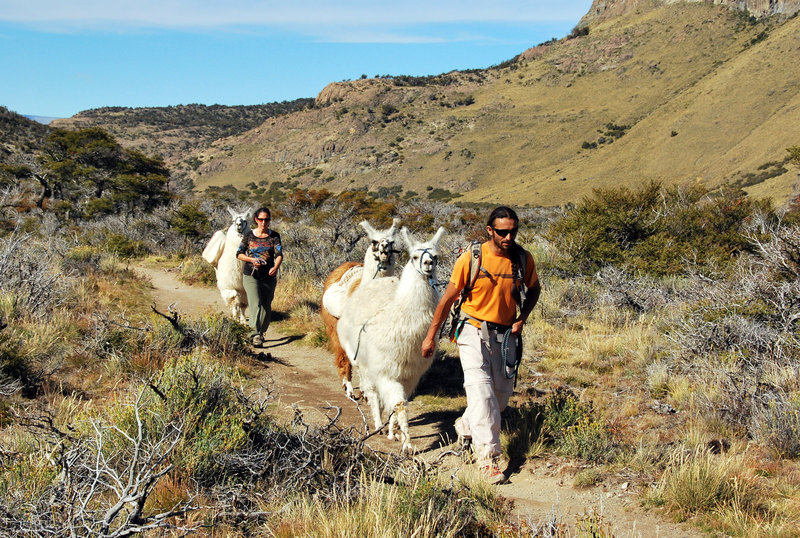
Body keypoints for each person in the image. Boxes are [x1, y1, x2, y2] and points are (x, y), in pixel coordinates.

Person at [422, 206, 541, 484]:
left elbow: (534, 289)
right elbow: (447, 299)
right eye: (502, 232)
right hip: (472, 329)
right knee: (481, 390)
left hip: (505, 335)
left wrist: (522, 318)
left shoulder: (523, 259)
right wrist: (431, 336)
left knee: (500, 396)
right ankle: (488, 458)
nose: (509, 237)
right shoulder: (472, 258)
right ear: (490, 231)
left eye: (513, 231)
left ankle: (466, 425)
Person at [236, 207, 283, 347]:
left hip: (269, 276)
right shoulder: (249, 236)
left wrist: (276, 267)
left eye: (266, 219)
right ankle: (255, 334)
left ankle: (261, 331)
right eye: (261, 219)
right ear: (256, 220)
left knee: (266, 305)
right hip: (251, 275)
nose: (264, 222)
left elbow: (279, 254)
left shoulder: (274, 236)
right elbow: (239, 253)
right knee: (255, 303)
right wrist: (251, 260)